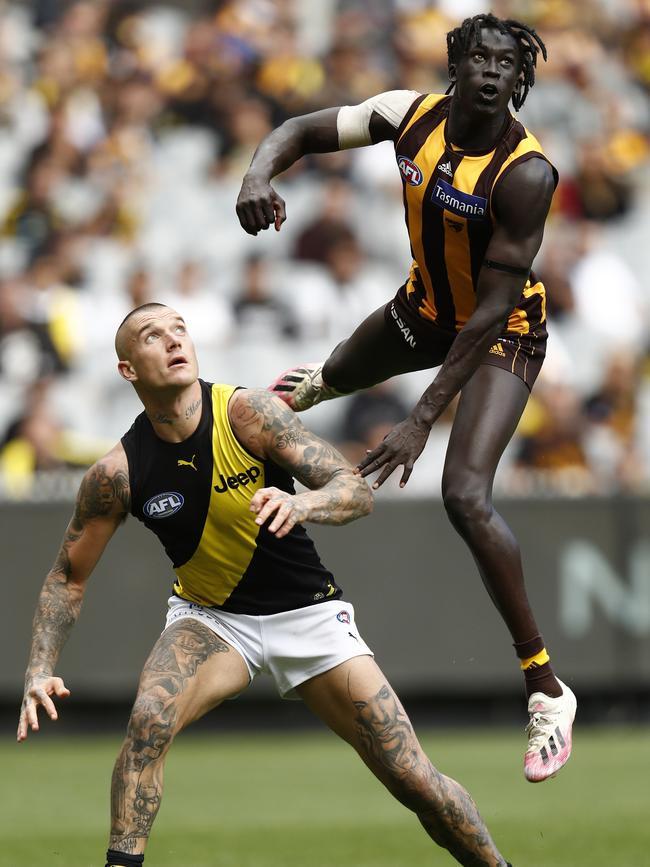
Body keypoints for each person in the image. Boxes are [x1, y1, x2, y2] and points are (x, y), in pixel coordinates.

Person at [17, 302, 515, 867]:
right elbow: (66, 577)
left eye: (180, 329)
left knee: (415, 781)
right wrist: (39, 668)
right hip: (212, 620)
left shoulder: (246, 413)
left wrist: (302, 503)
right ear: (128, 369)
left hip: (308, 614)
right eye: (152, 336)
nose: (173, 340)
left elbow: (355, 492)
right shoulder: (117, 473)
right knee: (148, 719)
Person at [236, 12, 577, 783]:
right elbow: (299, 128)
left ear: (520, 79)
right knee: (311, 383)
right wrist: (260, 173)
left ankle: (547, 689)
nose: (492, 71)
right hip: (423, 312)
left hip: (499, 335)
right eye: (480, 56)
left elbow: (490, 309)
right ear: (457, 62)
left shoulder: (527, 173)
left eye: (507, 63)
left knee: (464, 496)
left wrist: (422, 418)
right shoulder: (406, 114)